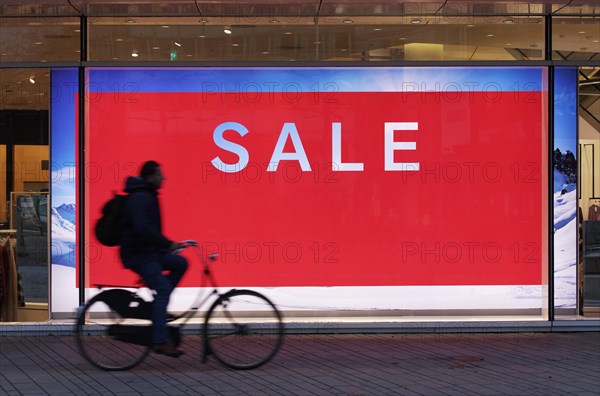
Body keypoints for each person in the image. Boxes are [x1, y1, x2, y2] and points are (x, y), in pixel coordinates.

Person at [119, 160, 188, 357]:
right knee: (164, 289)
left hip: (148, 251)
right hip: (139, 254)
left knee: (181, 263)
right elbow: (143, 229)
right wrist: (167, 245)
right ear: (150, 176)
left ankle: (160, 306)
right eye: (160, 174)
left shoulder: (147, 194)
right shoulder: (141, 197)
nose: (163, 178)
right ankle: (160, 340)